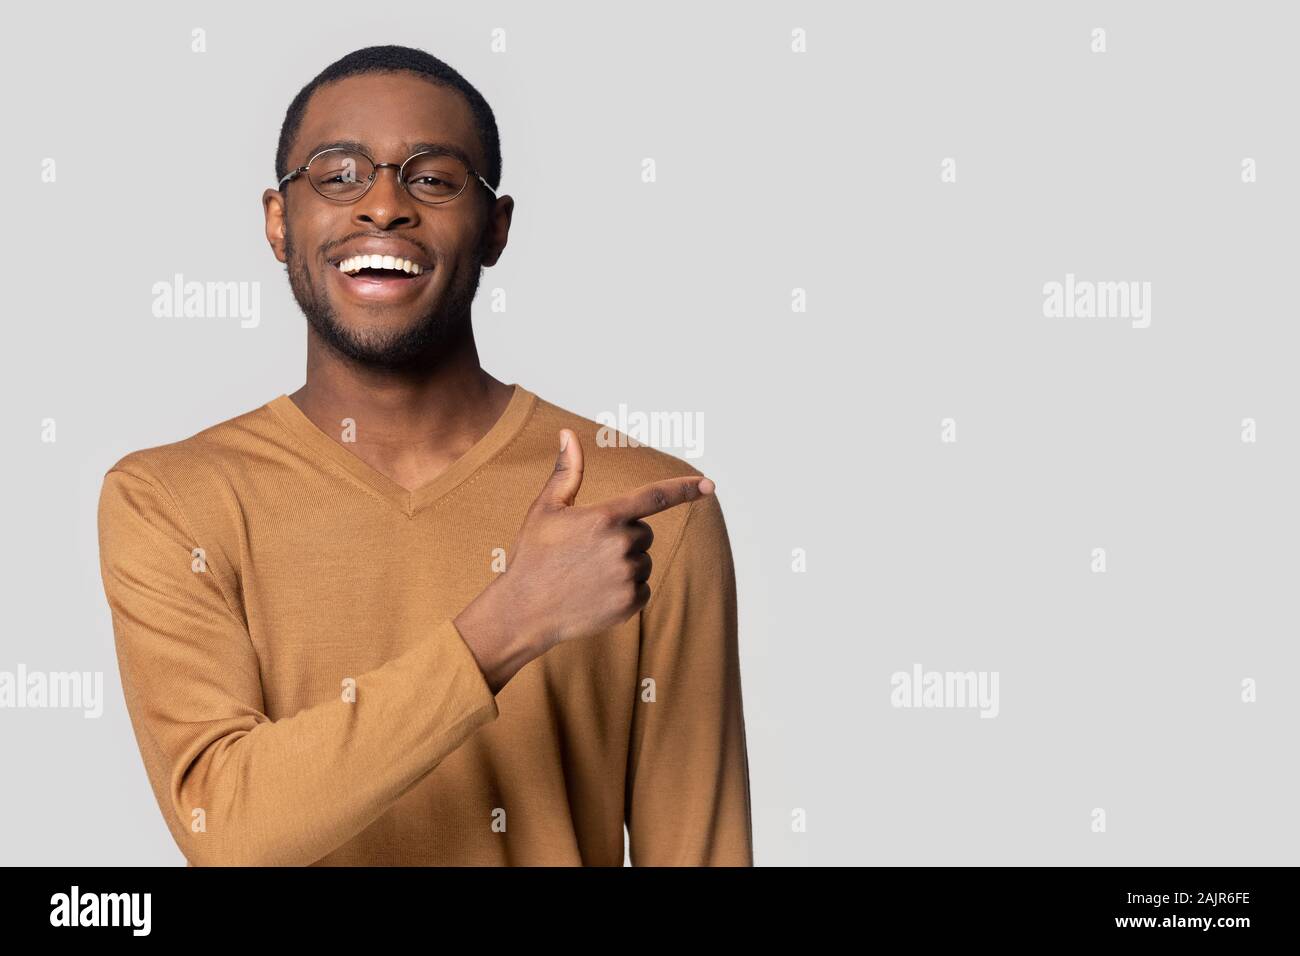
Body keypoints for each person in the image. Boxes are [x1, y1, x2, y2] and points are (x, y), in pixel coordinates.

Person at [96, 45, 752, 866]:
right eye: (337, 174)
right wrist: (509, 622)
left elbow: (699, 850)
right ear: (276, 221)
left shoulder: (642, 507)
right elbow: (228, 831)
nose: (382, 206)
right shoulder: (172, 498)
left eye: (433, 178)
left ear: (496, 229)